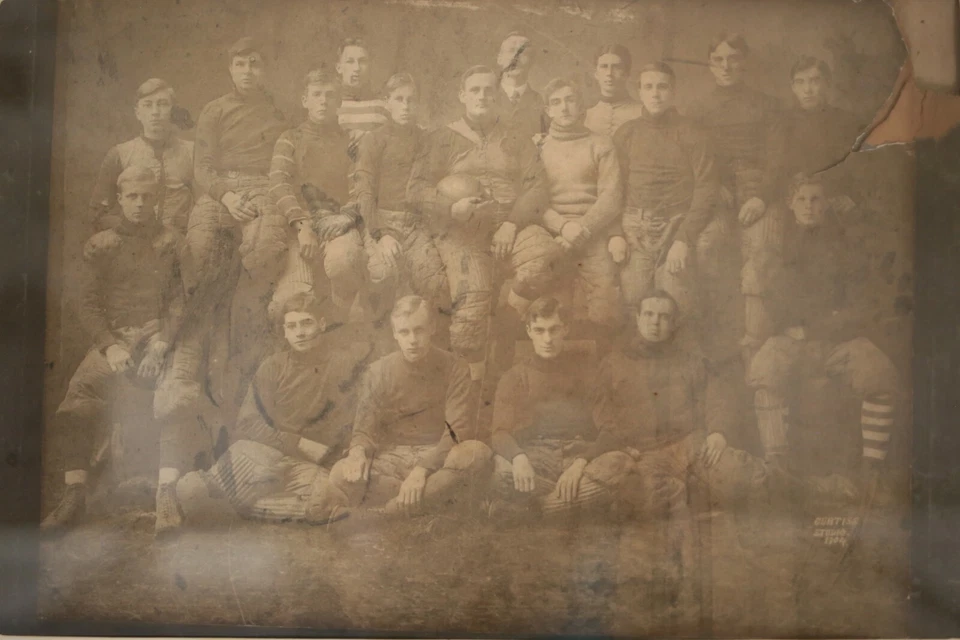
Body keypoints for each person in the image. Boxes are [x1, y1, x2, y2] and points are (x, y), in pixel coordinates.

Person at [41, 168, 190, 537]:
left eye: (147, 196)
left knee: (176, 391)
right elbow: (87, 303)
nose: (140, 203)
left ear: (157, 200)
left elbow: (180, 301)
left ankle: (166, 494)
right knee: (79, 394)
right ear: (120, 199)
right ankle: (75, 493)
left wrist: (162, 343)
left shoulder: (172, 242)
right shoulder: (102, 244)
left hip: (159, 337)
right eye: (132, 196)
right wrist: (109, 347)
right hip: (115, 340)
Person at [406, 65, 554, 383]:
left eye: (488, 90)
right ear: (462, 95)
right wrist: (451, 208)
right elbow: (416, 189)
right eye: (475, 90)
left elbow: (538, 186)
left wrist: (512, 223)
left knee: (544, 255)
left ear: (497, 94)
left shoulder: (516, 137)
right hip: (461, 231)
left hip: (509, 225)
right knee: (471, 311)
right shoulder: (441, 138)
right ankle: (471, 389)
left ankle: (504, 330)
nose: (482, 96)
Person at [747, 174, 898, 483]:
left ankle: (872, 469)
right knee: (764, 372)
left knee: (880, 373)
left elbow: (860, 306)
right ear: (790, 204)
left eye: (816, 199)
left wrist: (817, 326)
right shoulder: (777, 249)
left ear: (827, 204)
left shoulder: (847, 247)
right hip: (789, 340)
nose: (809, 206)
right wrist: (816, 318)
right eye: (801, 199)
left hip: (836, 341)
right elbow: (778, 306)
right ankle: (777, 466)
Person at [173, 293, 376, 524]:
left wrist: (354, 452)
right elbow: (248, 424)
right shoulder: (273, 366)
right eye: (292, 326)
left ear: (322, 324)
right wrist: (297, 443)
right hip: (265, 455)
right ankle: (212, 498)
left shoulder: (344, 364)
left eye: (306, 323)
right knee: (196, 491)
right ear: (285, 332)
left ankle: (235, 508)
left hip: (309, 466)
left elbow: (364, 415)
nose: (300, 333)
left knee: (327, 500)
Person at [312, 296, 493, 519]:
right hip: (393, 458)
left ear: (432, 328)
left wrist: (421, 471)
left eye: (419, 330)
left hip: (439, 456)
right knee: (340, 473)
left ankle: (387, 514)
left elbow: (457, 431)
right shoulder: (378, 371)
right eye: (404, 332)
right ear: (395, 334)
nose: (412, 340)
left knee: (477, 453)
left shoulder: (455, 366)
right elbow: (364, 430)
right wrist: (357, 453)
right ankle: (421, 502)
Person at [688, 33, 785, 360]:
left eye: (733, 59)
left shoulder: (768, 105)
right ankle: (717, 342)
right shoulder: (698, 109)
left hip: (760, 192)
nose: (726, 66)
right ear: (710, 65)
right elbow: (695, 159)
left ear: (745, 63)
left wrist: (762, 197)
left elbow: (778, 158)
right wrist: (713, 187)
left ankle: (755, 349)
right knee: (707, 246)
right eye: (718, 60)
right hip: (719, 193)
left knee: (760, 255)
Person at [490, 297, 619, 517]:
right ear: (529, 331)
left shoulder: (587, 373)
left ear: (565, 329)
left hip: (577, 453)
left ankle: (538, 509)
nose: (547, 339)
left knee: (620, 465)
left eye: (554, 329)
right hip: (535, 456)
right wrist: (519, 458)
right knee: (500, 472)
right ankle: (571, 502)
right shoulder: (514, 376)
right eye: (539, 330)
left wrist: (580, 464)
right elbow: (499, 433)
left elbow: (610, 429)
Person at [185, 36, 289, 300]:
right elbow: (202, 167)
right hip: (221, 189)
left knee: (264, 251)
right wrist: (227, 196)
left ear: (264, 70)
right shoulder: (214, 110)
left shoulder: (279, 111)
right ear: (230, 69)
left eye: (254, 64)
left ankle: (248, 315)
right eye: (240, 64)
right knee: (199, 249)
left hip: (264, 188)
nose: (247, 71)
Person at [613, 62, 717, 317]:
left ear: (673, 91)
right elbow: (613, 189)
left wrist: (683, 239)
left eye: (662, 87)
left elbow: (706, 187)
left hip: (675, 226)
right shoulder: (626, 133)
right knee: (633, 302)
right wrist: (615, 234)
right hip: (635, 230)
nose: (655, 94)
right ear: (639, 91)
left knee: (674, 305)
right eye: (648, 87)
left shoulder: (692, 133)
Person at [269, 70, 367, 319]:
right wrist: (302, 225)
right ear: (305, 100)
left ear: (339, 101)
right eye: (317, 94)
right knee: (291, 302)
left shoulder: (350, 141)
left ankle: (340, 318)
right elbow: (279, 183)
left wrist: (346, 217)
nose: (323, 101)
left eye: (330, 95)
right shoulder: (290, 138)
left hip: (338, 222)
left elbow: (361, 184)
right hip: (298, 225)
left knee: (344, 262)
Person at [534, 78, 625, 334]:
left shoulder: (602, 144)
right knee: (551, 309)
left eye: (570, 100)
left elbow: (611, 197)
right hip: (552, 234)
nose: (564, 108)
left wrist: (581, 230)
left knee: (606, 307)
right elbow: (535, 200)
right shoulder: (539, 147)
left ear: (581, 105)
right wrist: (563, 227)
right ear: (548, 110)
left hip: (594, 232)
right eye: (556, 102)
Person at [356, 72, 448, 315]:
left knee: (435, 283)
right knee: (382, 274)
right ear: (387, 102)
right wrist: (380, 235)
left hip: (417, 226)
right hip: (382, 223)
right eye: (399, 99)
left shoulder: (426, 140)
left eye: (411, 100)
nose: (405, 106)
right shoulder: (373, 140)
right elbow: (364, 192)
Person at [88, 78, 195, 233]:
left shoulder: (192, 152)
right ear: (138, 113)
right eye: (147, 105)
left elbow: (205, 208)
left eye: (162, 104)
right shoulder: (119, 154)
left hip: (179, 241)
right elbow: (98, 213)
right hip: (132, 240)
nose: (155, 112)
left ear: (173, 111)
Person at [782, 56, 863, 180]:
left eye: (815, 81)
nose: (807, 90)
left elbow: (855, 170)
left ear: (828, 84)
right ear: (793, 88)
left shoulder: (848, 122)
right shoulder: (782, 124)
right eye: (800, 82)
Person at [584, 44, 645, 138]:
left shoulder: (642, 112)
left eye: (617, 67)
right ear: (596, 73)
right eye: (604, 66)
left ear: (627, 73)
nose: (609, 73)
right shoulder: (586, 116)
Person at [495, 31, 547, 140]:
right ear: (499, 59)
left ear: (532, 61)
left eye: (523, 52)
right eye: (511, 51)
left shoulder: (541, 102)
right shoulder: (486, 98)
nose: (516, 57)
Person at [336, 37, 389, 142]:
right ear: (339, 68)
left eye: (362, 62)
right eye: (350, 61)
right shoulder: (329, 105)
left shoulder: (384, 106)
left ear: (370, 66)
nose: (357, 68)